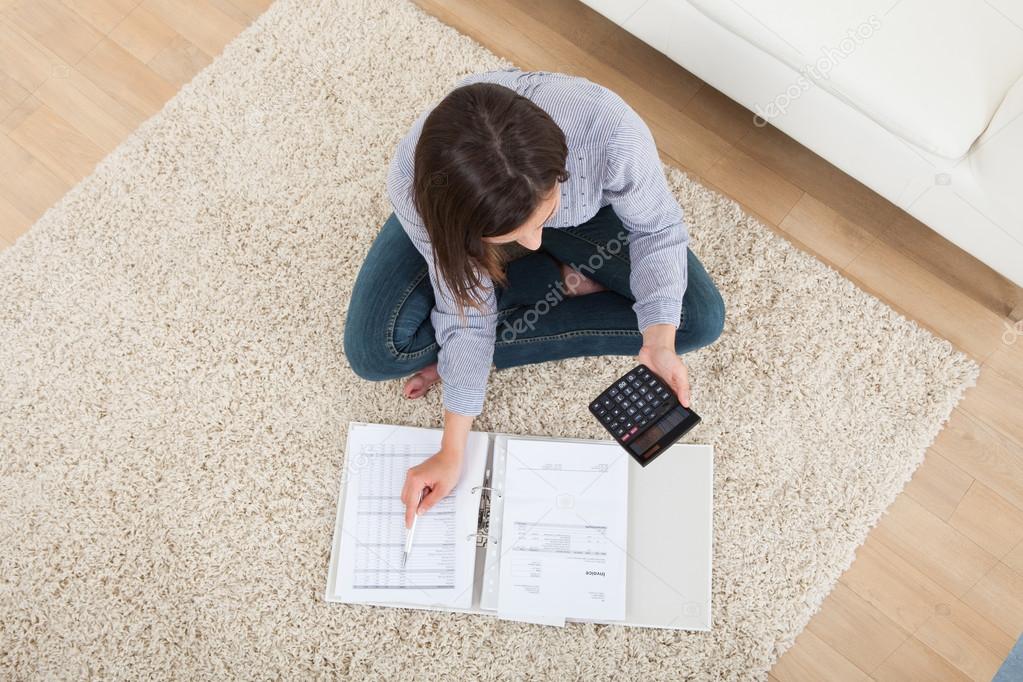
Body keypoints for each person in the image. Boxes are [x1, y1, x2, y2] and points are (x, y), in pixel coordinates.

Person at [344, 68, 725, 528]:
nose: (529, 242)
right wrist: (452, 449)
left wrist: (659, 341)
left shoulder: (611, 133)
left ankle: (545, 278)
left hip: (591, 219)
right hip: (463, 214)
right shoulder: (417, 188)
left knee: (695, 319)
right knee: (375, 354)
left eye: (543, 218)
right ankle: (555, 277)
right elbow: (466, 305)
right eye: (511, 236)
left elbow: (657, 228)